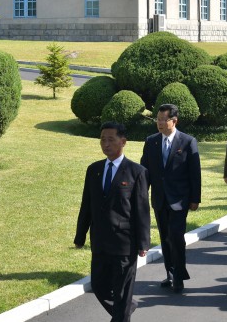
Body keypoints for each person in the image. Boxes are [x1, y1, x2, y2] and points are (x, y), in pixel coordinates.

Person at [74, 121, 150, 322]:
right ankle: (126, 308)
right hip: (99, 241)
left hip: (125, 243)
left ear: (123, 141)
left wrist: (143, 243)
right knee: (99, 287)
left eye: (110, 139)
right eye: (102, 140)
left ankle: (122, 312)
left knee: (123, 292)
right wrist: (80, 236)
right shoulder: (94, 170)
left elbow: (142, 210)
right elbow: (86, 205)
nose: (105, 144)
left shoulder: (137, 172)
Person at [140, 104, 201, 293]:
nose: (159, 123)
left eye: (163, 119)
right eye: (157, 119)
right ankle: (170, 272)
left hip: (179, 200)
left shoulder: (188, 141)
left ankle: (179, 275)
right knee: (165, 238)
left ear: (174, 121)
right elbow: (145, 171)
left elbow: (194, 173)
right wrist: (141, 195)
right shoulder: (151, 141)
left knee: (176, 237)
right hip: (159, 199)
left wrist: (195, 199)